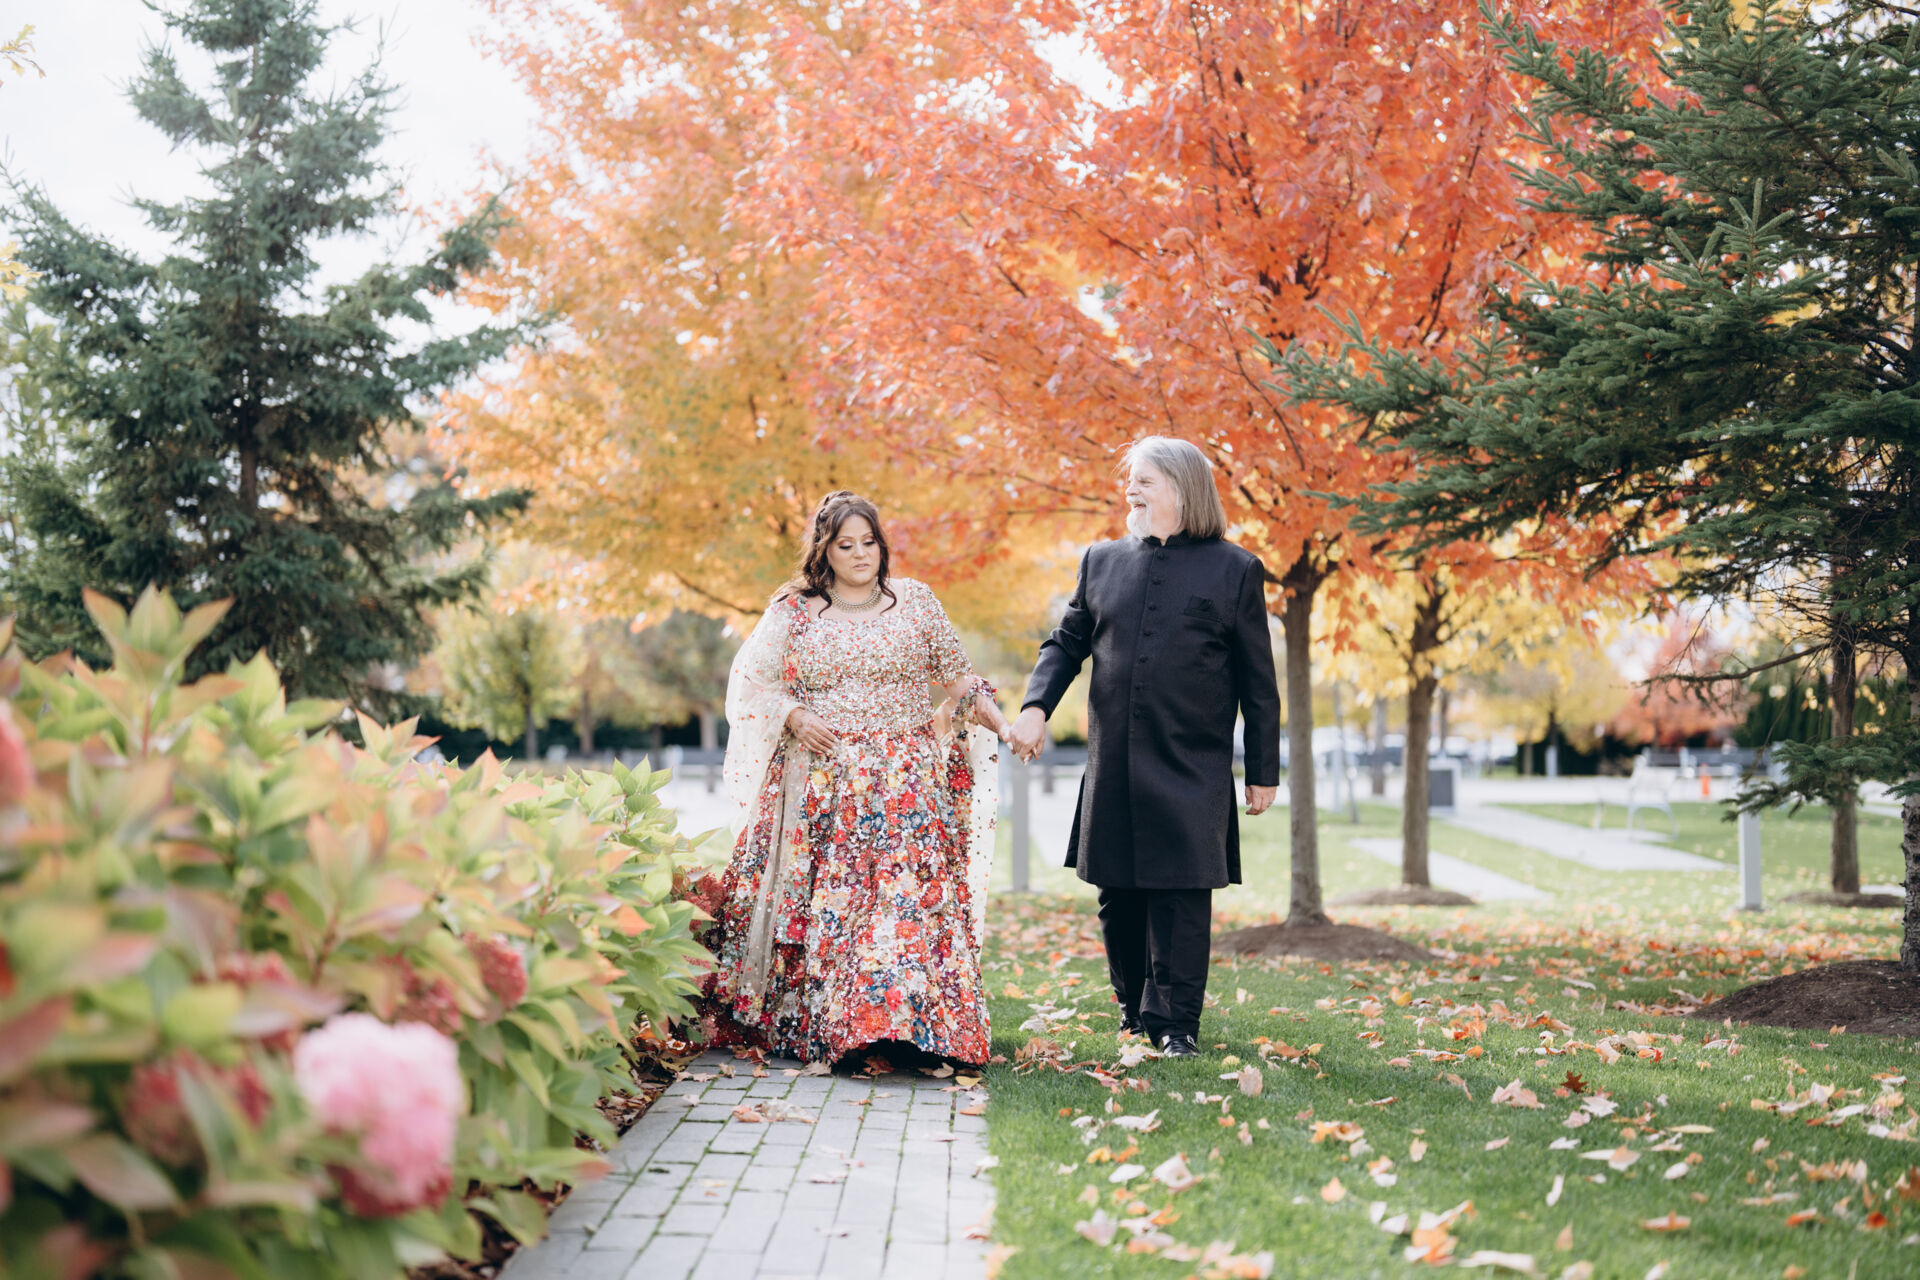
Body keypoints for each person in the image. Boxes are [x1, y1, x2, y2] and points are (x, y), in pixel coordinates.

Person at [713, 491, 1010, 1066]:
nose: (859, 554)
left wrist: (1005, 725)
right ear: (824, 550)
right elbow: (751, 686)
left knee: (903, 897)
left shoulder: (916, 602)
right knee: (840, 906)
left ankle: (915, 1028)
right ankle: (850, 1027)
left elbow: (960, 681)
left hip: (906, 787)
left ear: (882, 545)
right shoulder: (794, 611)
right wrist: (793, 714)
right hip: (825, 786)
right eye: (844, 544)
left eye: (868, 542)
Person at [1008, 438, 1281, 1058]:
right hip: (1114, 763)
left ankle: (1177, 1025)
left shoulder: (1236, 569)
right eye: (1129, 479)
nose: (1131, 489)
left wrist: (1263, 769)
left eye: (1146, 480)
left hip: (1192, 763)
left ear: (1183, 489)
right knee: (1119, 894)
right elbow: (1066, 643)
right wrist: (1034, 708)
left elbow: (1258, 683)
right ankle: (1134, 1012)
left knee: (1181, 896)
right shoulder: (1100, 561)